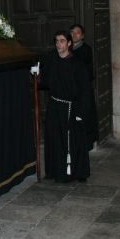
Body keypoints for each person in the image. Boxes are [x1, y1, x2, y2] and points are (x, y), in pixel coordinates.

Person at [39, 31, 92, 182]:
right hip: (55, 107)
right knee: (54, 139)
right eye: (56, 41)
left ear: (69, 43)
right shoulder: (51, 60)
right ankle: (55, 172)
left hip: (72, 107)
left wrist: (82, 112)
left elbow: (85, 91)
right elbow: (45, 83)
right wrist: (37, 76)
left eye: (62, 41)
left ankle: (77, 172)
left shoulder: (78, 64)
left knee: (74, 141)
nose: (58, 44)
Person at [70, 23, 98, 148]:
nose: (74, 35)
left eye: (77, 33)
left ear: (82, 36)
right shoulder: (66, 48)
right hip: (71, 90)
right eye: (72, 32)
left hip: (82, 89)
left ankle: (86, 143)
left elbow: (87, 71)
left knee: (85, 116)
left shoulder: (86, 49)